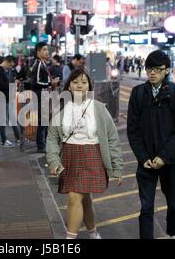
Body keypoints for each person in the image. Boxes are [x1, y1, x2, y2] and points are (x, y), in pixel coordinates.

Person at [46, 68, 124, 239]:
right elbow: (52, 139)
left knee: (75, 197)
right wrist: (53, 161)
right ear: (69, 86)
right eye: (75, 82)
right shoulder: (62, 109)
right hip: (70, 157)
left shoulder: (99, 109)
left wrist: (117, 167)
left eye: (83, 82)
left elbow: (112, 139)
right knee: (84, 198)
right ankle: (93, 233)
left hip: (93, 155)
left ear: (89, 85)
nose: (79, 85)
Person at [127, 50, 175, 239]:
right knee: (146, 207)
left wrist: (163, 156)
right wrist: (143, 157)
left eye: (156, 69)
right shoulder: (138, 93)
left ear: (166, 70)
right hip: (145, 162)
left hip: (169, 162)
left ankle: (172, 233)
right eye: (149, 69)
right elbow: (133, 130)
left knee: (174, 204)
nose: (152, 73)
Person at [30, 42, 60, 153]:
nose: (46, 52)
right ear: (38, 52)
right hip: (40, 96)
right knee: (43, 121)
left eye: (47, 50)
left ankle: (44, 143)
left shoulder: (43, 63)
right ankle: (41, 145)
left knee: (45, 121)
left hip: (44, 95)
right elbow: (36, 82)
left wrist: (51, 82)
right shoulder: (38, 64)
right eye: (44, 50)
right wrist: (49, 84)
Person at [0, 55, 20, 147]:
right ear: (7, 62)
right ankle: (3, 140)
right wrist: (12, 84)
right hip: (2, 98)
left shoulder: (8, 70)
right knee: (3, 120)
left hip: (9, 98)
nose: (11, 67)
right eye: (10, 65)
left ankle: (18, 137)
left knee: (13, 118)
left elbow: (10, 81)